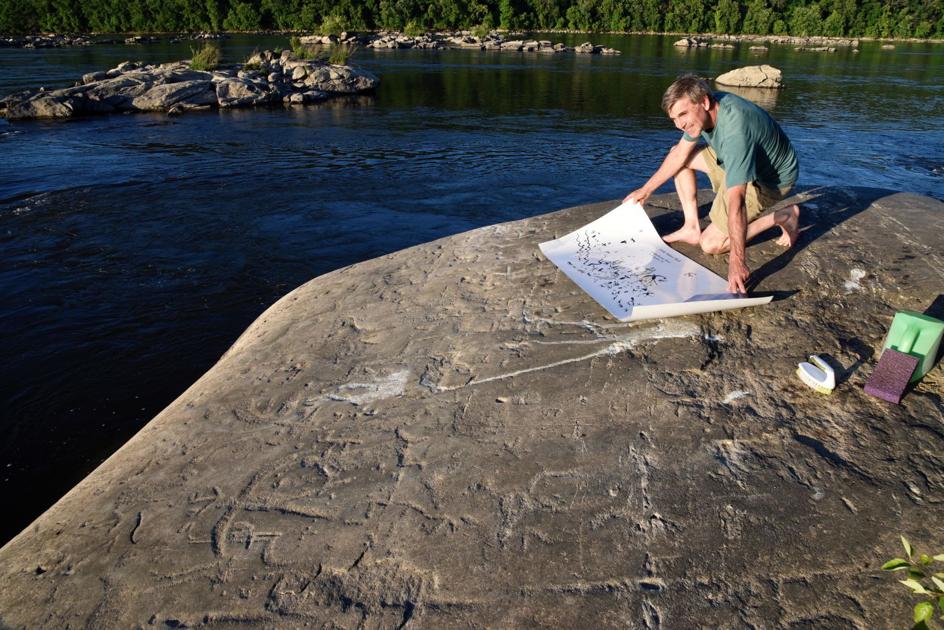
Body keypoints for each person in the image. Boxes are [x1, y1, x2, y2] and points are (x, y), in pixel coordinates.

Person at [625, 74, 800, 294]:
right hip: (735, 159)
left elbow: (737, 202)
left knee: (711, 245)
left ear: (705, 102)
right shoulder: (705, 109)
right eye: (674, 119)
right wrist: (645, 190)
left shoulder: (736, 131)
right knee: (679, 157)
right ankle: (690, 227)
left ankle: (784, 216)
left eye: (683, 114)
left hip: (769, 180)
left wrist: (737, 261)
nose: (680, 125)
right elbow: (680, 154)